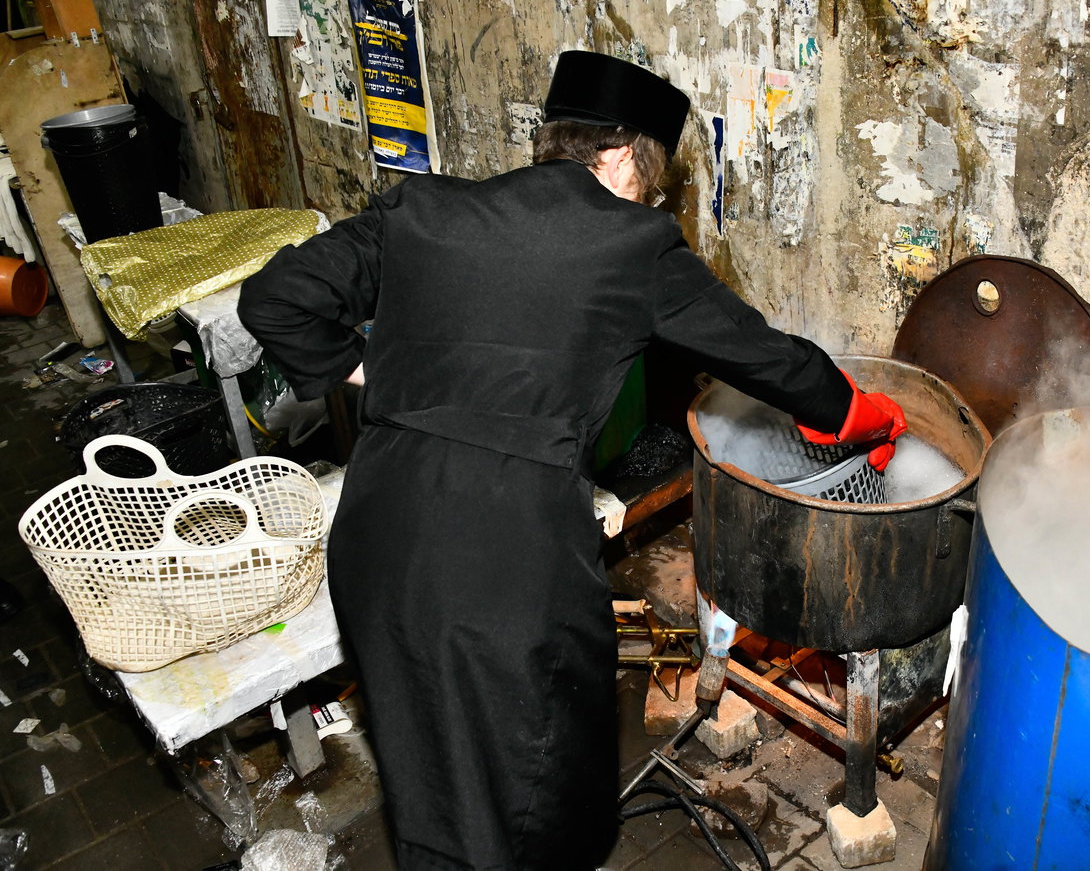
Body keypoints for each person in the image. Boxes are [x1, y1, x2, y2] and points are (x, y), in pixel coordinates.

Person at [237, 50, 906, 870]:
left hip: (377, 539)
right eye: (652, 184)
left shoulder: (426, 205)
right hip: (502, 561)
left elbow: (274, 298)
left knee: (430, 768)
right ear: (626, 156)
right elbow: (759, 353)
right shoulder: (633, 242)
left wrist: (379, 371)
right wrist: (856, 412)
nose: (650, 201)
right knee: (531, 782)